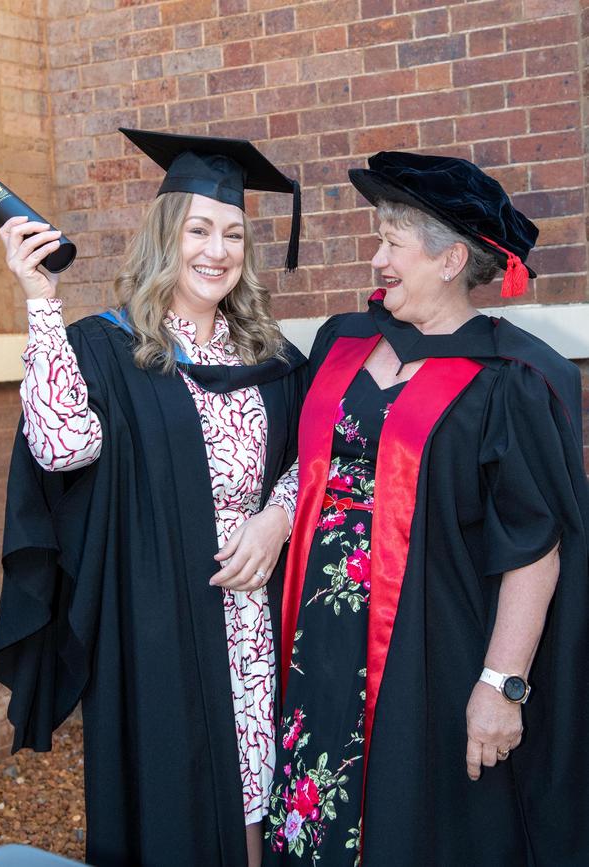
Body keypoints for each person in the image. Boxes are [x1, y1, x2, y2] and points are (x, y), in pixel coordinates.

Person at [0, 130, 307, 867]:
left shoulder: (270, 354)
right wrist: (40, 299)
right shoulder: (110, 346)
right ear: (168, 233)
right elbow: (61, 445)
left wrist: (278, 517)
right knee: (171, 792)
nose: (216, 250)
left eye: (232, 233)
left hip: (251, 616)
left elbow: (313, 457)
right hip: (155, 618)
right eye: (199, 228)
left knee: (252, 789)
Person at [263, 151, 589, 866]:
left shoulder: (511, 380)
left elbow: (535, 546)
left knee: (413, 822)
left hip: (430, 650)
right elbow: (297, 463)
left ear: (449, 260)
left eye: (390, 242)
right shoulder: (341, 342)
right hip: (317, 639)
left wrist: (501, 684)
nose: (376, 257)